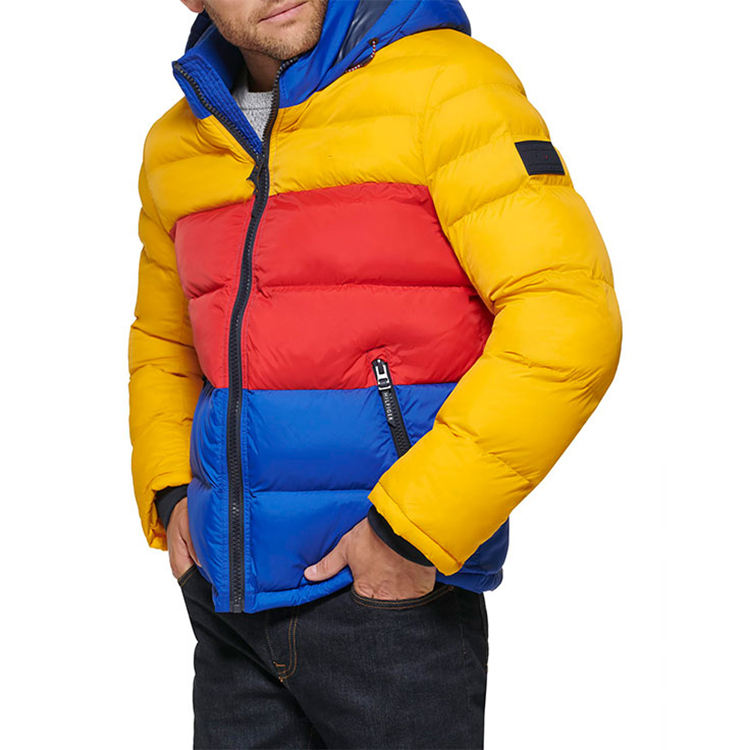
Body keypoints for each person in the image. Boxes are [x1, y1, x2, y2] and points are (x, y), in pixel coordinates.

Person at [127, 1, 622, 747]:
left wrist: (411, 531)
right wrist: (171, 496)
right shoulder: (177, 146)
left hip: (390, 605)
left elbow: (570, 318)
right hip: (231, 610)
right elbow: (163, 342)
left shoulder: (448, 85)